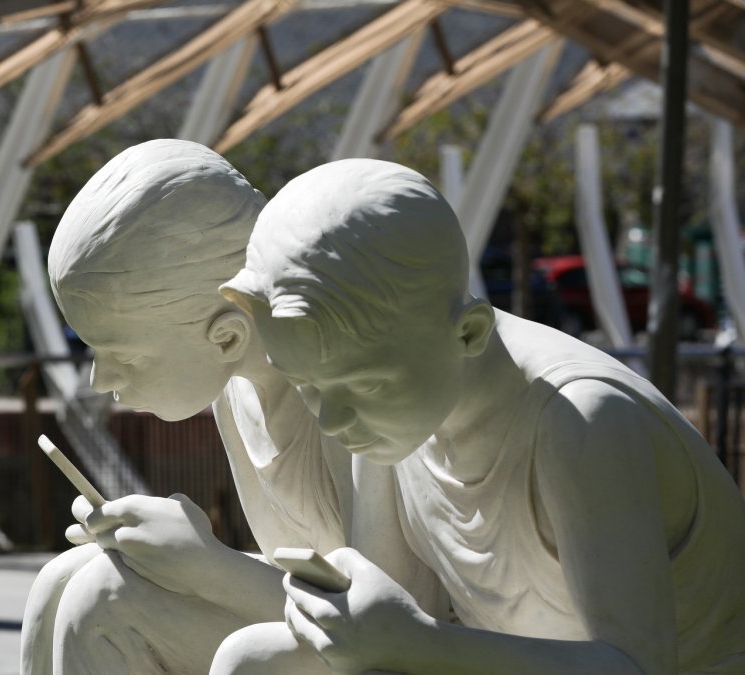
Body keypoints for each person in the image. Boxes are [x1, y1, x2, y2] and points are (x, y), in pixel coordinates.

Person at [217, 158, 745, 673]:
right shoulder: (396, 419)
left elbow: (638, 666)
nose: (331, 420)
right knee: (248, 661)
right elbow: (388, 620)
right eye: (307, 385)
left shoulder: (580, 420)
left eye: (366, 383)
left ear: (469, 332)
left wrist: (417, 643)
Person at [22, 141, 440, 673]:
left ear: (226, 337)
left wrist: (208, 566)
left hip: (399, 650)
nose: (99, 378)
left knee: (102, 598)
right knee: (64, 578)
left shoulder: (347, 392)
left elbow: (392, 627)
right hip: (328, 635)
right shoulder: (237, 387)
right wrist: (167, 554)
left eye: (121, 354)